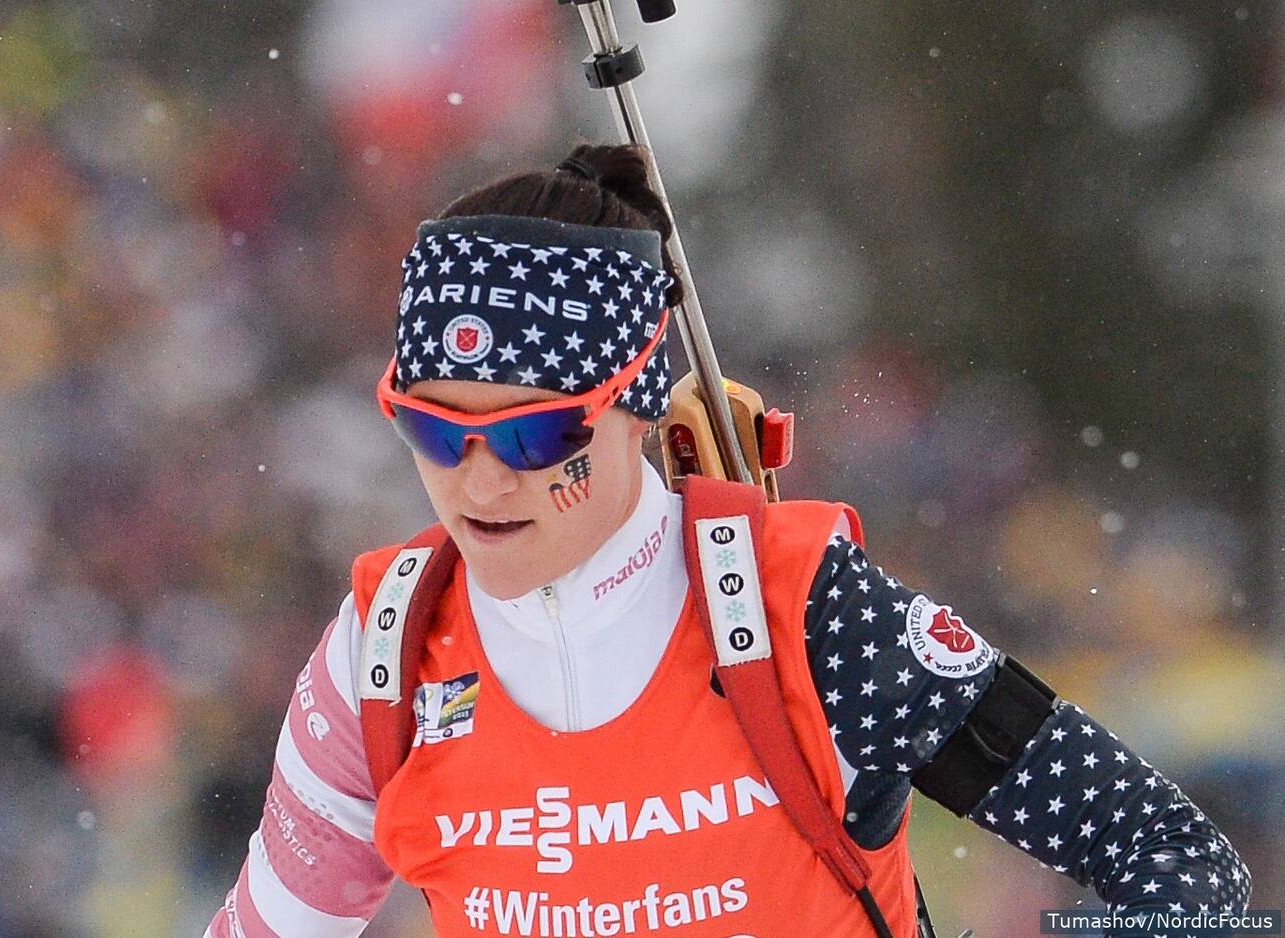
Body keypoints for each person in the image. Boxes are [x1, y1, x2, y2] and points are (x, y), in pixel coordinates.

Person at [203, 144, 1252, 938]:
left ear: (635, 403)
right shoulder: (383, 649)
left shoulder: (803, 610)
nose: (478, 478)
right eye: (433, 424)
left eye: (533, 431)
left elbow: (1180, 863)